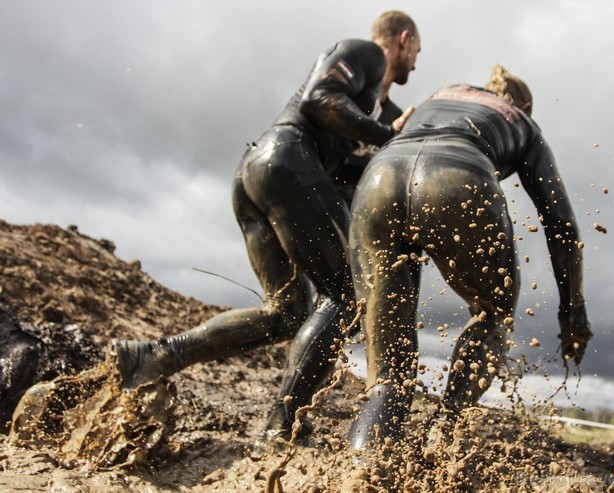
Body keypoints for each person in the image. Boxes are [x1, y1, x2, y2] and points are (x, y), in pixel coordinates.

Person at [112, 10, 421, 443]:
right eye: (416, 52)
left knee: (286, 313)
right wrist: (382, 133)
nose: (415, 63)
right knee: (348, 294)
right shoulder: (365, 53)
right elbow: (319, 97)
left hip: (263, 179)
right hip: (283, 160)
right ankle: (284, 423)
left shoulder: (382, 107)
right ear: (404, 40)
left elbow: (348, 171)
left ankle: (152, 356)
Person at [345, 65, 593, 455]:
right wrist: (572, 312)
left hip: (381, 176)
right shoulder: (524, 123)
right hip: (459, 175)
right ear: (523, 105)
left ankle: (358, 474)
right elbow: (560, 224)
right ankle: (445, 434)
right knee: (494, 316)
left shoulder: (444, 92)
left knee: (387, 380)